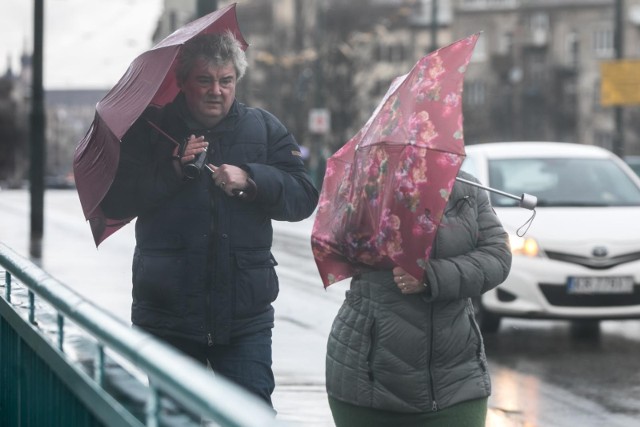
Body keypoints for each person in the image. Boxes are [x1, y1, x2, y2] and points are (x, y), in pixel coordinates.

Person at [100, 31, 319, 409]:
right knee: (174, 419)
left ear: (237, 81)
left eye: (226, 80)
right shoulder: (150, 130)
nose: (216, 90)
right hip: (166, 314)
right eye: (205, 80)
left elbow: (302, 196)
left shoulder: (264, 129)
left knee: (252, 415)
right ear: (183, 83)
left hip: (243, 316)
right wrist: (172, 167)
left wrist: (251, 180)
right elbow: (116, 200)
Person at [325, 170, 512, 427]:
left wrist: (431, 277)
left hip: (456, 377)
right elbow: (339, 243)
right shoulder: (366, 185)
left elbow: (497, 256)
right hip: (368, 379)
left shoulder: (467, 189)